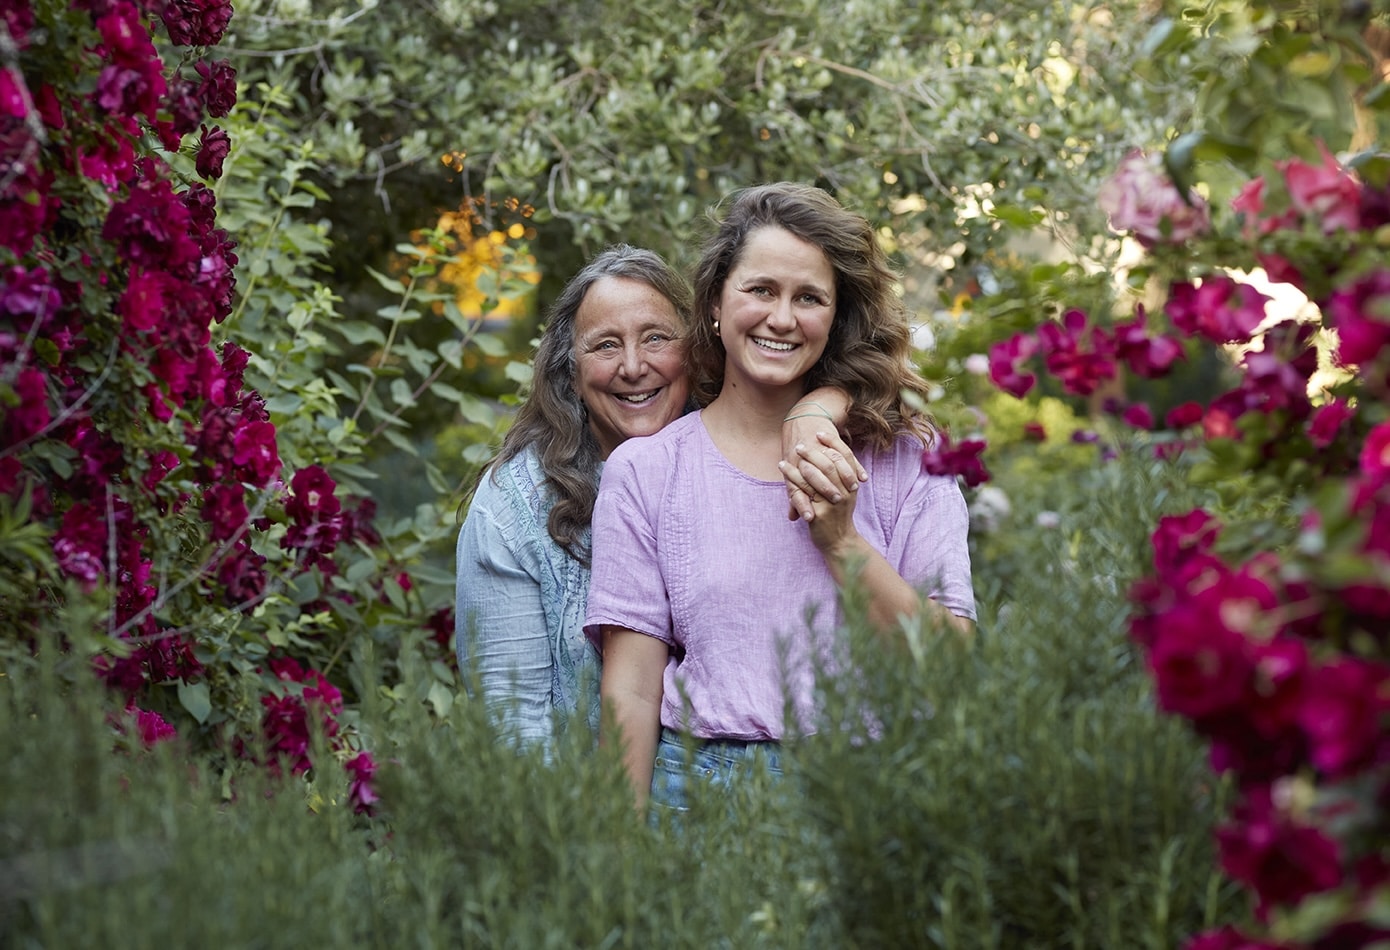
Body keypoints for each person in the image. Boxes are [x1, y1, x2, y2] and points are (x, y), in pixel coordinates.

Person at [585, 184, 977, 810]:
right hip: (701, 798)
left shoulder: (909, 459)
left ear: (835, 317)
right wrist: (619, 855)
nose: (783, 318)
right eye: (761, 290)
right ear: (715, 302)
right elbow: (631, 689)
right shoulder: (648, 471)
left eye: (809, 298)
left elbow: (953, 667)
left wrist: (843, 543)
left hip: (872, 792)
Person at [454, 244, 861, 747]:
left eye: (656, 338)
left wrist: (820, 407)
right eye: (604, 346)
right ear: (571, 374)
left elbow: (861, 376)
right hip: (581, 801)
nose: (632, 366)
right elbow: (511, 724)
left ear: (694, 347)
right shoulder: (513, 510)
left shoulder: (732, 445)